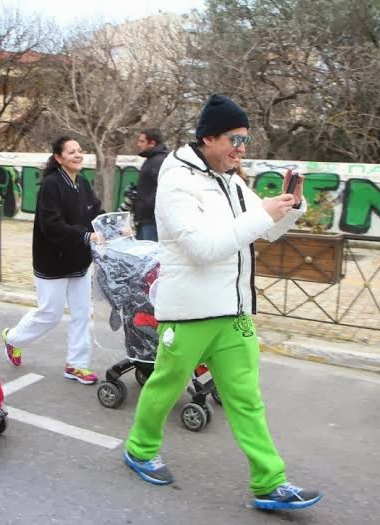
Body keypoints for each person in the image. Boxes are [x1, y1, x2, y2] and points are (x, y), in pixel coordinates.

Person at [121, 94, 322, 511]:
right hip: (190, 311)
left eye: (245, 139)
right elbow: (202, 248)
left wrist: (290, 207)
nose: (241, 148)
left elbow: (266, 232)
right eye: (235, 138)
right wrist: (261, 213)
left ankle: (270, 483)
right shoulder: (176, 181)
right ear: (208, 137)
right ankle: (139, 450)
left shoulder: (231, 179)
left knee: (246, 398)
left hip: (234, 311)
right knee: (165, 385)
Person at [1, 136, 105, 384]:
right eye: (72, 152)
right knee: (50, 313)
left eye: (80, 151)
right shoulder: (51, 185)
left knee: (82, 314)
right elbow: (52, 226)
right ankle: (13, 338)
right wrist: (88, 236)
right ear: (59, 158)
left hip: (79, 261)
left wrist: (111, 225)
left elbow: (94, 212)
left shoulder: (82, 182)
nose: (78, 155)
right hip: (53, 262)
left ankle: (76, 365)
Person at [133, 129, 169, 241]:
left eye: (142, 141)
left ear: (152, 143)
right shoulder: (151, 159)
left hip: (152, 220)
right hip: (145, 218)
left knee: (148, 254)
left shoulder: (159, 161)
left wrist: (145, 205)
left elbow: (160, 190)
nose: (138, 144)